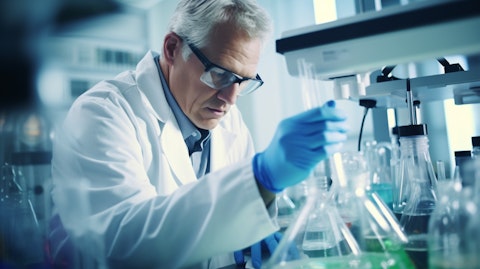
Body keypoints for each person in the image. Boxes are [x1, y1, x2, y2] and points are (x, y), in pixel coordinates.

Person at [48, 0, 348, 268]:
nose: (231, 98)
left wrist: (256, 226)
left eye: (243, 81)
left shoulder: (229, 121)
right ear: (172, 49)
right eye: (220, 74)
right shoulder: (103, 113)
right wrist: (258, 181)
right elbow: (126, 244)